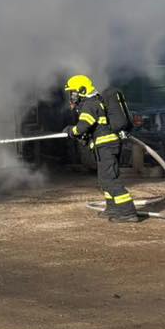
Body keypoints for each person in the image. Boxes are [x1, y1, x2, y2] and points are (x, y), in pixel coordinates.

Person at [62, 74, 142, 224]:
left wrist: (70, 131)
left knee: (110, 180)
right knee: (104, 180)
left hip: (106, 147)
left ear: (82, 90)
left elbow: (82, 127)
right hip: (105, 147)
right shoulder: (94, 103)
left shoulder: (90, 105)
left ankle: (127, 212)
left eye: (72, 92)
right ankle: (113, 208)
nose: (71, 97)